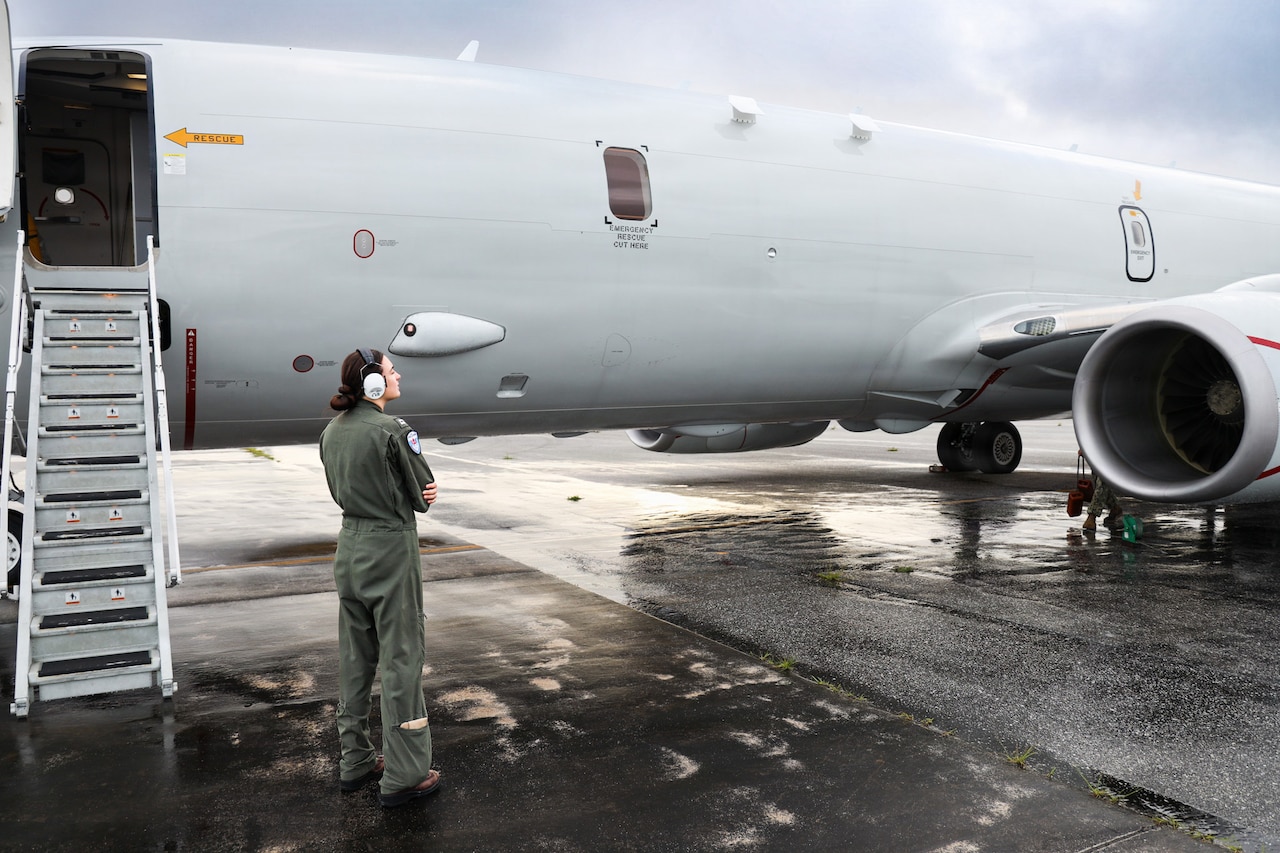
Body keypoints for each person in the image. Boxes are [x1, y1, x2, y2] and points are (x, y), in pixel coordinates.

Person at [319, 347, 442, 807]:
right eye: (391, 371)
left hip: (349, 549)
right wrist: (428, 490)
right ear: (374, 384)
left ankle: (355, 760)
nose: (398, 375)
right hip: (390, 549)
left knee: (355, 659)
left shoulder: (331, 431)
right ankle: (406, 775)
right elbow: (422, 495)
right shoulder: (394, 430)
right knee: (401, 659)